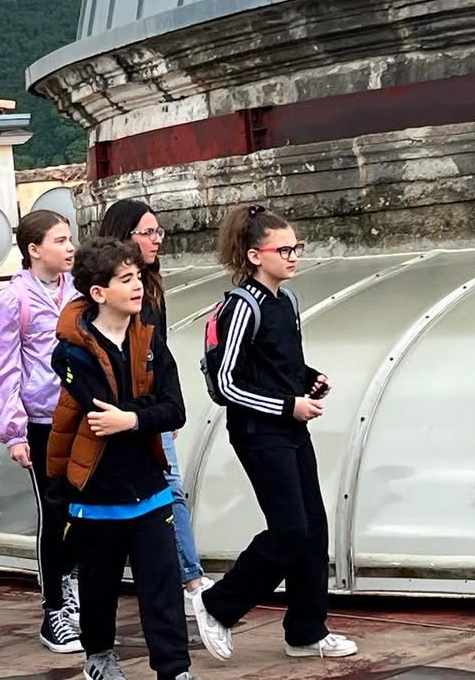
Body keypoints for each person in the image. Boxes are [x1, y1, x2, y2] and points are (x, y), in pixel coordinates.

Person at [187, 205, 358, 661]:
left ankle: (305, 631)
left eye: (296, 247)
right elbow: (225, 382)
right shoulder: (242, 306)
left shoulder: (287, 301)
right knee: (288, 531)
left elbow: (278, 363)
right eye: (284, 249)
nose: (294, 255)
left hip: (289, 428)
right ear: (254, 255)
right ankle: (217, 605)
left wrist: (308, 378)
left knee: (313, 528)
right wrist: (288, 405)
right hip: (259, 433)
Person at [48, 237, 199, 680]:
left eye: (139, 277)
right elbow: (100, 409)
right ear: (98, 293)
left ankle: (175, 670)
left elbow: (175, 410)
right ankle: (98, 655)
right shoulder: (71, 350)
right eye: (126, 279)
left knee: (163, 588)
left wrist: (133, 420)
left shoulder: (150, 339)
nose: (138, 286)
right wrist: (143, 412)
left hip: (150, 487)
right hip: (95, 489)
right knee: (100, 587)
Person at [99, 200, 211, 610]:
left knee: (169, 489)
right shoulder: (104, 296)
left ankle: (190, 576)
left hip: (148, 410)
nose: (156, 240)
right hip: (119, 412)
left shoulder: (152, 289)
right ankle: (77, 580)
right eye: (147, 232)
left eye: (158, 232)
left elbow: (158, 354)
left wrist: (167, 407)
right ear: (123, 236)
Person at [0, 210, 82, 653]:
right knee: (55, 511)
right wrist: (14, 432)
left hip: (83, 416)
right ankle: (54, 609)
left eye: (70, 239)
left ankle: (79, 595)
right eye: (60, 240)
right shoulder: (12, 299)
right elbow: (4, 368)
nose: (69, 247)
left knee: (87, 509)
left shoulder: (78, 291)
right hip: (44, 422)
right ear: (34, 249)